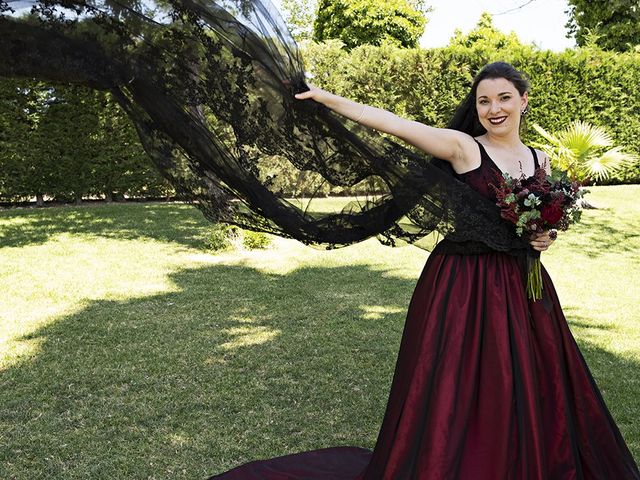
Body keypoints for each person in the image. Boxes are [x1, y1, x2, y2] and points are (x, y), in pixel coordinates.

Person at [210, 62, 640, 479]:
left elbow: (537, 224)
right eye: (484, 101)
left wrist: (543, 237)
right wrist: (325, 99)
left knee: (530, 375)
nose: (494, 109)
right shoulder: (464, 147)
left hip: (522, 284)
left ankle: (527, 456)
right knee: (462, 378)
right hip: (464, 284)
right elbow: (391, 123)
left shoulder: (540, 160)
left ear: (524, 101)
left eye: (504, 98)